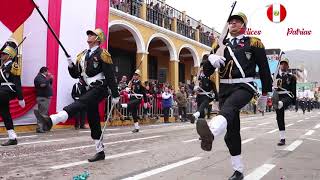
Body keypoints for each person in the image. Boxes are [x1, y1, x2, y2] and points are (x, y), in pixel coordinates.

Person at [196, 12, 272, 180]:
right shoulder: (220, 44)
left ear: (244, 25)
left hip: (245, 86)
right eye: (231, 21)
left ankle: (211, 132)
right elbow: (207, 71)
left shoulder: (254, 43)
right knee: (231, 133)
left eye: (237, 21)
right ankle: (238, 170)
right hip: (224, 89)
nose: (233, 24)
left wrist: (265, 93)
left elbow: (264, 69)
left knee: (230, 108)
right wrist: (211, 59)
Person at [35, 28, 120, 162]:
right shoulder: (82, 55)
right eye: (89, 34)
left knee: (80, 102)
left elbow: (110, 75)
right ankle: (100, 151)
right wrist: (70, 64)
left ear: (98, 39)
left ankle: (53, 119)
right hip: (88, 89)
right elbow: (76, 74)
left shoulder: (103, 54)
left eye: (92, 34)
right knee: (93, 119)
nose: (89, 36)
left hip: (100, 88)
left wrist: (115, 94)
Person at [0, 39, 25, 146]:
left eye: (4, 54)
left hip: (8, 91)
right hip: (1, 92)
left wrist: (20, 98)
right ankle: (12, 137)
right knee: (5, 114)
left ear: (9, 56)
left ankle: (12, 137)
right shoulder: (2, 66)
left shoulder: (13, 66)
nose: (1, 55)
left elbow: (17, 82)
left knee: (5, 113)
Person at [272, 57, 296, 146]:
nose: (283, 65)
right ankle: (282, 139)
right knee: (279, 118)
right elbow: (272, 87)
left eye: (285, 64)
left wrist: (294, 103)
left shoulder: (292, 77)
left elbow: (294, 90)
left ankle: (279, 104)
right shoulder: (275, 76)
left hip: (287, 96)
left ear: (288, 66)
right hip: (278, 96)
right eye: (282, 64)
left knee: (282, 102)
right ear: (280, 65)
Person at [34, 66, 53, 133]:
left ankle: (45, 127)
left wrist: (50, 79)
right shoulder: (39, 77)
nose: (48, 73)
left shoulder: (43, 78)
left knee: (44, 113)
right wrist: (49, 78)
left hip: (46, 98)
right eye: (47, 71)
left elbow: (48, 84)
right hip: (43, 98)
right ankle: (40, 128)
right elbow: (43, 85)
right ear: (44, 71)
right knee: (42, 113)